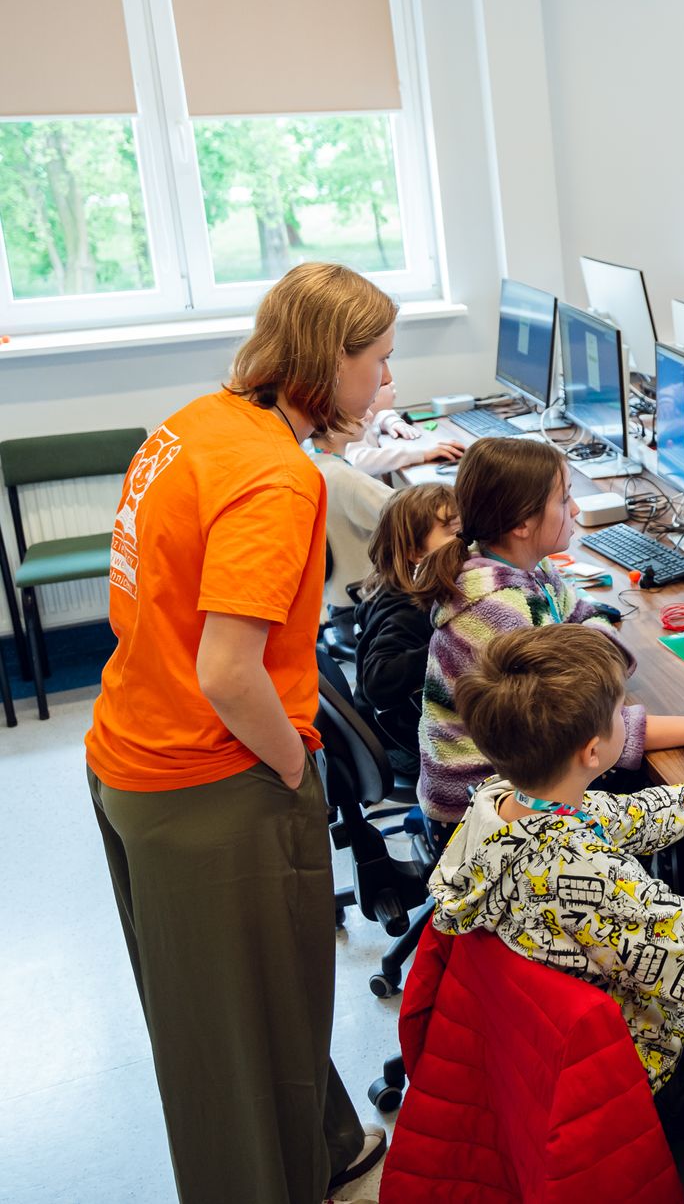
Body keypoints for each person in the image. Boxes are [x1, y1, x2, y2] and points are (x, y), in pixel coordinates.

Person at [86, 261, 391, 1201]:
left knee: (257, 1007)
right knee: (228, 1041)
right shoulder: (277, 476)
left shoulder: (196, 423)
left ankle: (327, 1143)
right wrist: (294, 762)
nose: (386, 380)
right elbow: (227, 670)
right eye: (378, 360)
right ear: (327, 361)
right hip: (209, 782)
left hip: (131, 745)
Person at [433, 623, 684, 1146]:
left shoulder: (503, 803)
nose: (629, 718)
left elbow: (628, 815)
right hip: (654, 1076)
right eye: (622, 712)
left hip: (553, 1053)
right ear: (593, 752)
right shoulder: (583, 875)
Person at [413, 435, 684, 827]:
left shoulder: (526, 568)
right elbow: (577, 728)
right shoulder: (497, 611)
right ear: (521, 523)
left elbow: (591, 628)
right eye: (563, 499)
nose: (575, 508)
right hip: (483, 807)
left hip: (522, 780)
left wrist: (588, 659)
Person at [354, 482, 460, 774]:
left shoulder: (398, 584)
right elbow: (378, 678)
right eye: (453, 532)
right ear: (416, 552)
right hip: (402, 745)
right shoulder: (408, 609)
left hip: (396, 730)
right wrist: (450, 643)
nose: (466, 540)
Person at [310, 415, 393, 611]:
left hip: (337, 597)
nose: (369, 415)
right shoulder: (344, 477)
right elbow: (410, 513)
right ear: (329, 423)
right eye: (358, 412)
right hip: (366, 603)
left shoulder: (316, 461)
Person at [345, 377, 462, 475]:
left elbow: (377, 418)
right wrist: (422, 454)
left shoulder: (362, 417)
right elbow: (357, 461)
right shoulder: (350, 425)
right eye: (384, 383)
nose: (391, 383)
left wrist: (392, 421)